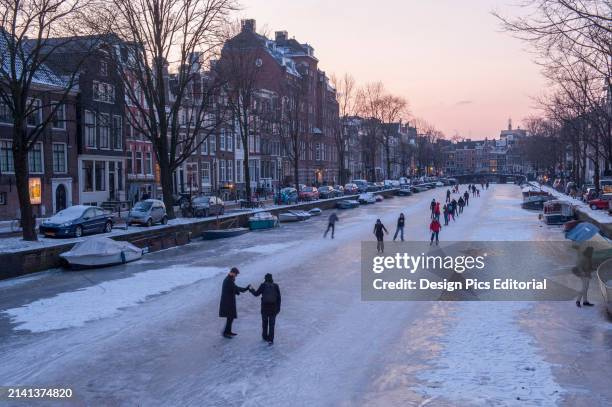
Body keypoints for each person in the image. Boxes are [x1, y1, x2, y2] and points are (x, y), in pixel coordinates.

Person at [250, 273, 281, 344]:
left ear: (265, 279)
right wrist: (278, 308)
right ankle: (271, 340)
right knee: (272, 325)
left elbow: (256, 294)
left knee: (265, 323)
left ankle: (264, 337)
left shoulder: (263, 285)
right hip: (273, 308)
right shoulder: (276, 286)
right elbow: (279, 298)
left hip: (265, 308)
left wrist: (251, 289)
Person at [219, 267, 250, 338]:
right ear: (233, 272)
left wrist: (245, 289)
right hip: (227, 303)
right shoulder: (228, 280)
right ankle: (225, 333)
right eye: (236, 274)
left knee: (231, 317)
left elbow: (235, 288)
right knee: (230, 317)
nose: (236, 276)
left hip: (229, 302)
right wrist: (245, 289)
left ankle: (228, 331)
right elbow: (235, 288)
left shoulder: (229, 279)